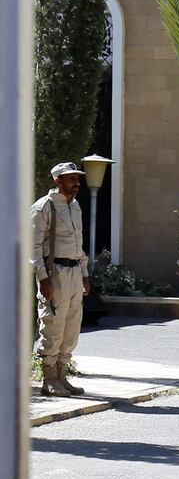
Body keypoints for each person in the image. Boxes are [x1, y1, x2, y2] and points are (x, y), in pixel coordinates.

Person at [31, 162, 91, 397]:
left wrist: (85, 274)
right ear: (58, 181)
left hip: (75, 273)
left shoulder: (75, 206)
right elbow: (33, 247)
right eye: (71, 179)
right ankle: (49, 379)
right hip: (55, 273)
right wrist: (43, 278)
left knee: (72, 327)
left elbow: (79, 244)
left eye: (77, 178)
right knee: (53, 325)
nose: (76, 183)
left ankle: (61, 375)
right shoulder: (44, 207)